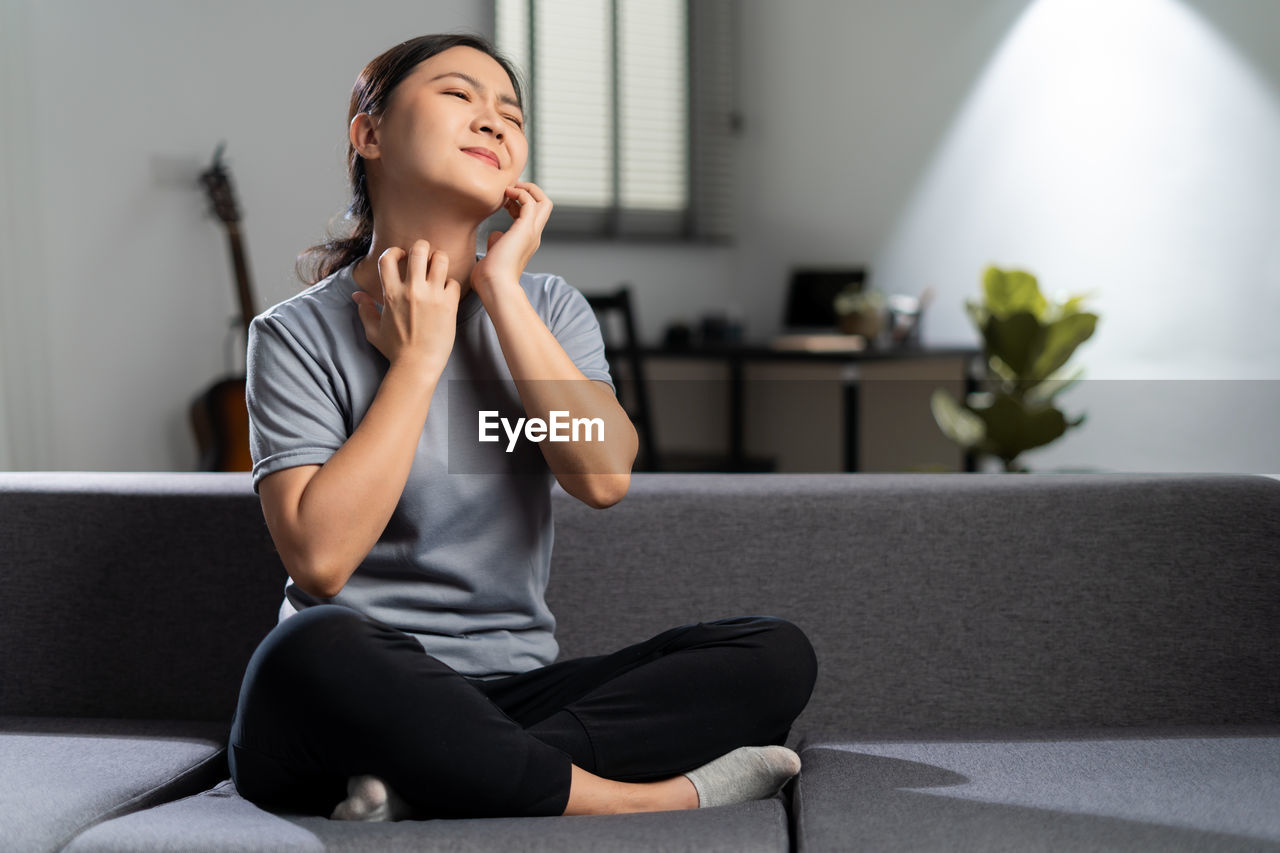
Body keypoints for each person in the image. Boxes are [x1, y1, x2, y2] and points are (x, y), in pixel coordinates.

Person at [227, 32, 817, 821]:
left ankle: (442, 775)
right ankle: (633, 798)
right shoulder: (294, 335)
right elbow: (323, 560)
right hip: (354, 690)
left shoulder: (549, 310)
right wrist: (419, 360)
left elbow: (603, 476)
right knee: (313, 645)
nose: (494, 120)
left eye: (511, 110)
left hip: (516, 690)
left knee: (771, 655)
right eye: (458, 95)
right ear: (368, 134)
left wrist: (502, 289)